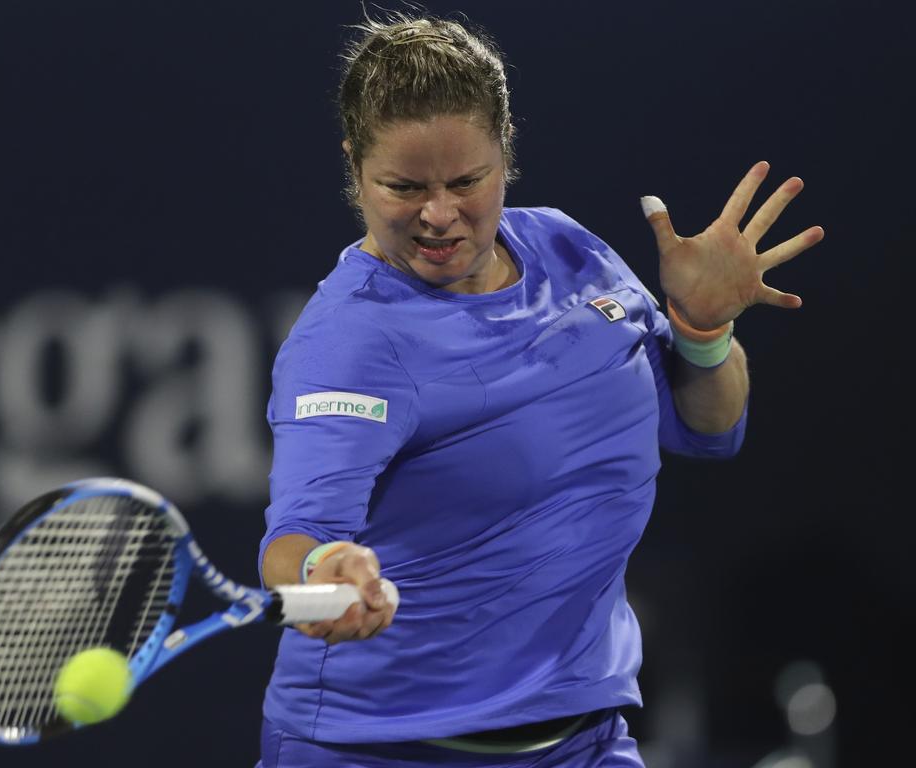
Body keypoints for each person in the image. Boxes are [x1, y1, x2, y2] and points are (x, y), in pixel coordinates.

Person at [255, 12, 823, 768]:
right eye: (403, 186)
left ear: (506, 152)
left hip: (583, 739)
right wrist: (325, 572)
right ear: (354, 165)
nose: (439, 214)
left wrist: (702, 328)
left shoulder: (570, 249)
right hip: (379, 752)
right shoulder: (347, 344)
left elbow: (709, 424)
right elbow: (292, 541)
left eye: (466, 180)